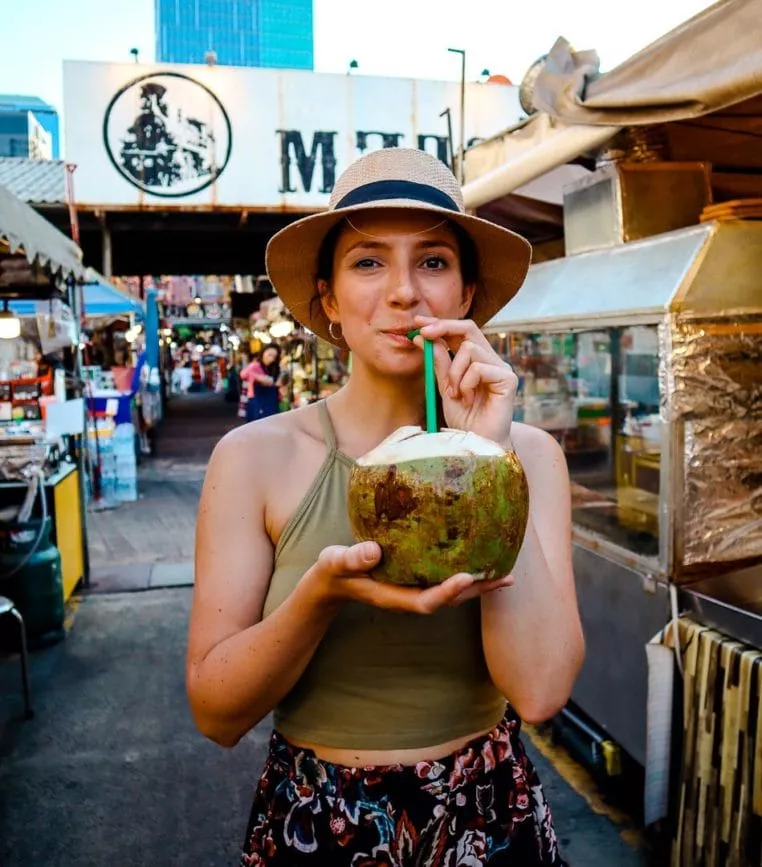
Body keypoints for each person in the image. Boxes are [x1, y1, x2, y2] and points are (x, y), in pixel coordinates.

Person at [187, 148, 584, 865]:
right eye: (368, 262)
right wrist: (319, 596)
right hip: (320, 819)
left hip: (488, 811)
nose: (404, 292)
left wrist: (489, 456)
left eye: (433, 262)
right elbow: (216, 712)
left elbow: (540, 691)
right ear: (329, 299)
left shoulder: (528, 453)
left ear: (466, 293)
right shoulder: (254, 457)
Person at [240, 345, 282, 421]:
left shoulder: (272, 367)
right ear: (263, 353)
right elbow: (243, 374)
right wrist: (261, 378)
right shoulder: (255, 365)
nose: (271, 358)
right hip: (258, 401)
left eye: (274, 356)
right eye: (269, 355)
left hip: (269, 402)